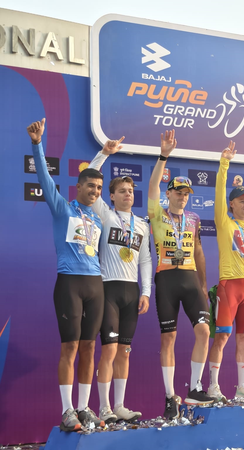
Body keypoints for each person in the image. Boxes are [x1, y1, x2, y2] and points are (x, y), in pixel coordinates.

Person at [27, 118, 105, 431]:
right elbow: (44, 178)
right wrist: (37, 144)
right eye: (91, 186)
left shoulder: (97, 219)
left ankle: (85, 408)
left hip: (96, 285)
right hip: (69, 283)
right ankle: (67, 410)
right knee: (70, 348)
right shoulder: (63, 208)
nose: (95, 191)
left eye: (99, 188)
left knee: (89, 347)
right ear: (78, 187)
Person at [147, 129, 213, 420]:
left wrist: (204, 283)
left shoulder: (194, 218)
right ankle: (169, 396)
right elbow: (152, 187)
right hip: (166, 279)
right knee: (169, 338)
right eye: (179, 192)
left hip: (190, 278)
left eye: (187, 194)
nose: (183, 197)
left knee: (204, 331)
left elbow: (198, 251)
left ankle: (196, 387)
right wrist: (163, 156)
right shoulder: (157, 213)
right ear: (169, 193)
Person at [87, 138, 152, 423]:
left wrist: (146, 292)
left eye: (131, 191)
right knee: (109, 350)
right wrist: (104, 153)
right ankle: (104, 407)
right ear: (111, 196)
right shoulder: (105, 215)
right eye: (122, 191)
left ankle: (120, 406)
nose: (128, 194)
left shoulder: (142, 225)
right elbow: (90, 175)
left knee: (125, 351)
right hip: (108, 289)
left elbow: (145, 260)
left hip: (131, 291)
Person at [207, 142, 244, 402]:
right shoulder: (224, 222)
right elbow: (219, 191)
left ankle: (242, 386)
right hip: (229, 285)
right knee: (222, 336)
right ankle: (213, 386)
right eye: (242, 201)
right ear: (231, 204)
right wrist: (224, 163)